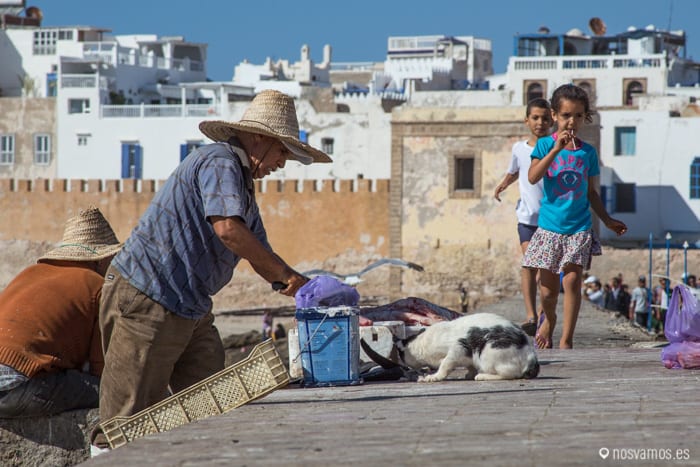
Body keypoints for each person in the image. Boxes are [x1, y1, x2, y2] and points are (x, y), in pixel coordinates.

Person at [94, 90, 331, 449]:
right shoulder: (219, 162)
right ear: (258, 139)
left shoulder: (242, 187)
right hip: (148, 299)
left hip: (190, 306)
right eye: (282, 151)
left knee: (217, 402)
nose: (282, 163)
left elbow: (261, 253)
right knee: (125, 422)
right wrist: (289, 278)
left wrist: (307, 290)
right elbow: (228, 230)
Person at [523, 84, 627, 349]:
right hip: (549, 226)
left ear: (585, 117)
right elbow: (533, 177)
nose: (572, 121)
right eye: (567, 115)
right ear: (555, 115)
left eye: (578, 115)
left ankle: (567, 340)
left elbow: (592, 193)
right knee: (546, 291)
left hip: (579, 226)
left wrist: (607, 220)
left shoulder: (588, 153)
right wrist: (556, 149)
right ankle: (550, 317)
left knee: (571, 281)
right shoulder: (545, 144)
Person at [0, 207, 121, 417]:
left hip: (12, 376)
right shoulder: (99, 286)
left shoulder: (28, 273)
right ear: (100, 259)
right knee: (113, 392)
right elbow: (101, 368)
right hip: (17, 390)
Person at [493, 97, 553, 336]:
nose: (540, 122)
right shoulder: (519, 148)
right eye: (536, 118)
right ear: (526, 120)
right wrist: (502, 185)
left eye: (545, 118)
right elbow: (515, 171)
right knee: (530, 263)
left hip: (551, 220)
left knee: (545, 272)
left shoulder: (555, 147)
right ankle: (531, 315)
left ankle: (544, 315)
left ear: (552, 120)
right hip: (527, 218)